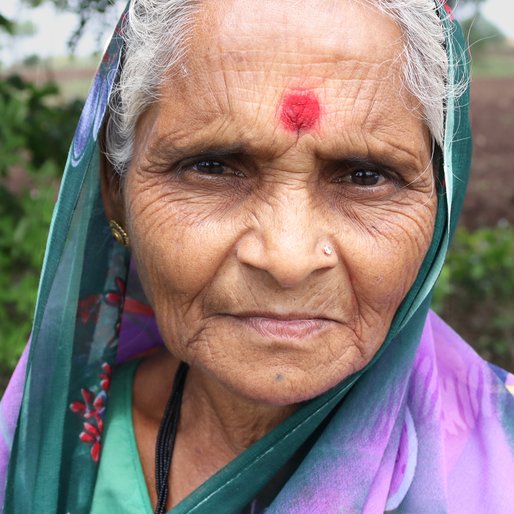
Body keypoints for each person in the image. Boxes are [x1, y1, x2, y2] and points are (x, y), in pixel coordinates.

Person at [2, 0, 514, 512]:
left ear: (439, 210)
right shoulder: (46, 447)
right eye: (212, 167)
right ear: (116, 189)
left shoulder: (496, 467)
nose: (287, 259)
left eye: (365, 175)